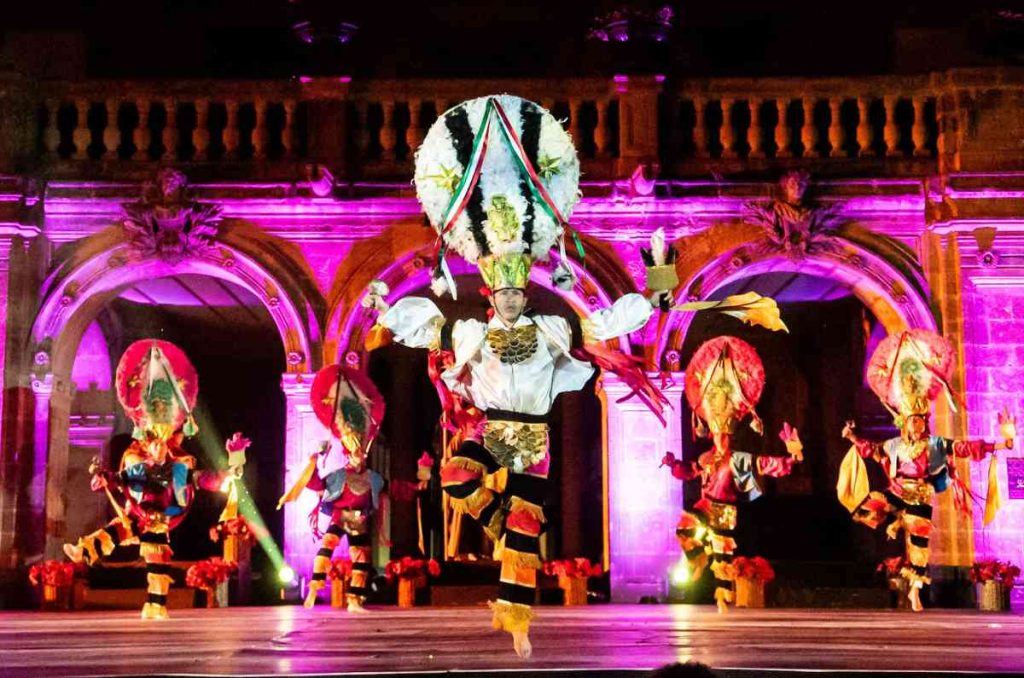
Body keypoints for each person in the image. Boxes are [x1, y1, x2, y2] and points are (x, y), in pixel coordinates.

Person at [64, 339, 247, 619]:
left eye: (162, 444)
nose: (158, 447)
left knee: (155, 557)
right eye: (154, 444)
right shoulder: (139, 462)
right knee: (120, 529)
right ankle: (84, 551)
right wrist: (104, 480)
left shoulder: (179, 465)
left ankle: (156, 604)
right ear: (148, 442)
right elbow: (120, 478)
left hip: (160, 517)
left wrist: (233, 464)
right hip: (139, 511)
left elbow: (204, 478)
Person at [837, 329, 1015, 611]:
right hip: (897, 492)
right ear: (905, 423)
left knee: (920, 545)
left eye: (921, 422)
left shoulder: (935, 444)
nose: (917, 426)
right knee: (865, 509)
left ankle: (915, 591)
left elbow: (965, 447)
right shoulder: (895, 445)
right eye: (913, 422)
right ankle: (896, 521)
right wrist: (852, 437)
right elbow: (871, 450)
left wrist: (1000, 445)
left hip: (920, 496)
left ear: (924, 422)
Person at [660, 336, 803, 612]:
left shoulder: (736, 459)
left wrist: (793, 456)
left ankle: (722, 597)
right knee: (686, 526)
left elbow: (766, 465)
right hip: (705, 506)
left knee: (723, 556)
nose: (720, 437)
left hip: (725, 511)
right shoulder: (706, 457)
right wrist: (673, 464)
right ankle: (697, 561)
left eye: (724, 434)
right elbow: (689, 471)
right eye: (717, 433)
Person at [277, 365, 430, 611]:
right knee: (326, 548)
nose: (356, 458)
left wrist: (417, 485)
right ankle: (314, 589)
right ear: (348, 456)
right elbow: (316, 484)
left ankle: (354, 599)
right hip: (340, 517)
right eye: (353, 455)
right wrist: (313, 464)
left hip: (359, 521)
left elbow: (396, 489)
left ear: (363, 456)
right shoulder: (339, 476)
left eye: (359, 454)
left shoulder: (373, 478)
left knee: (362, 560)